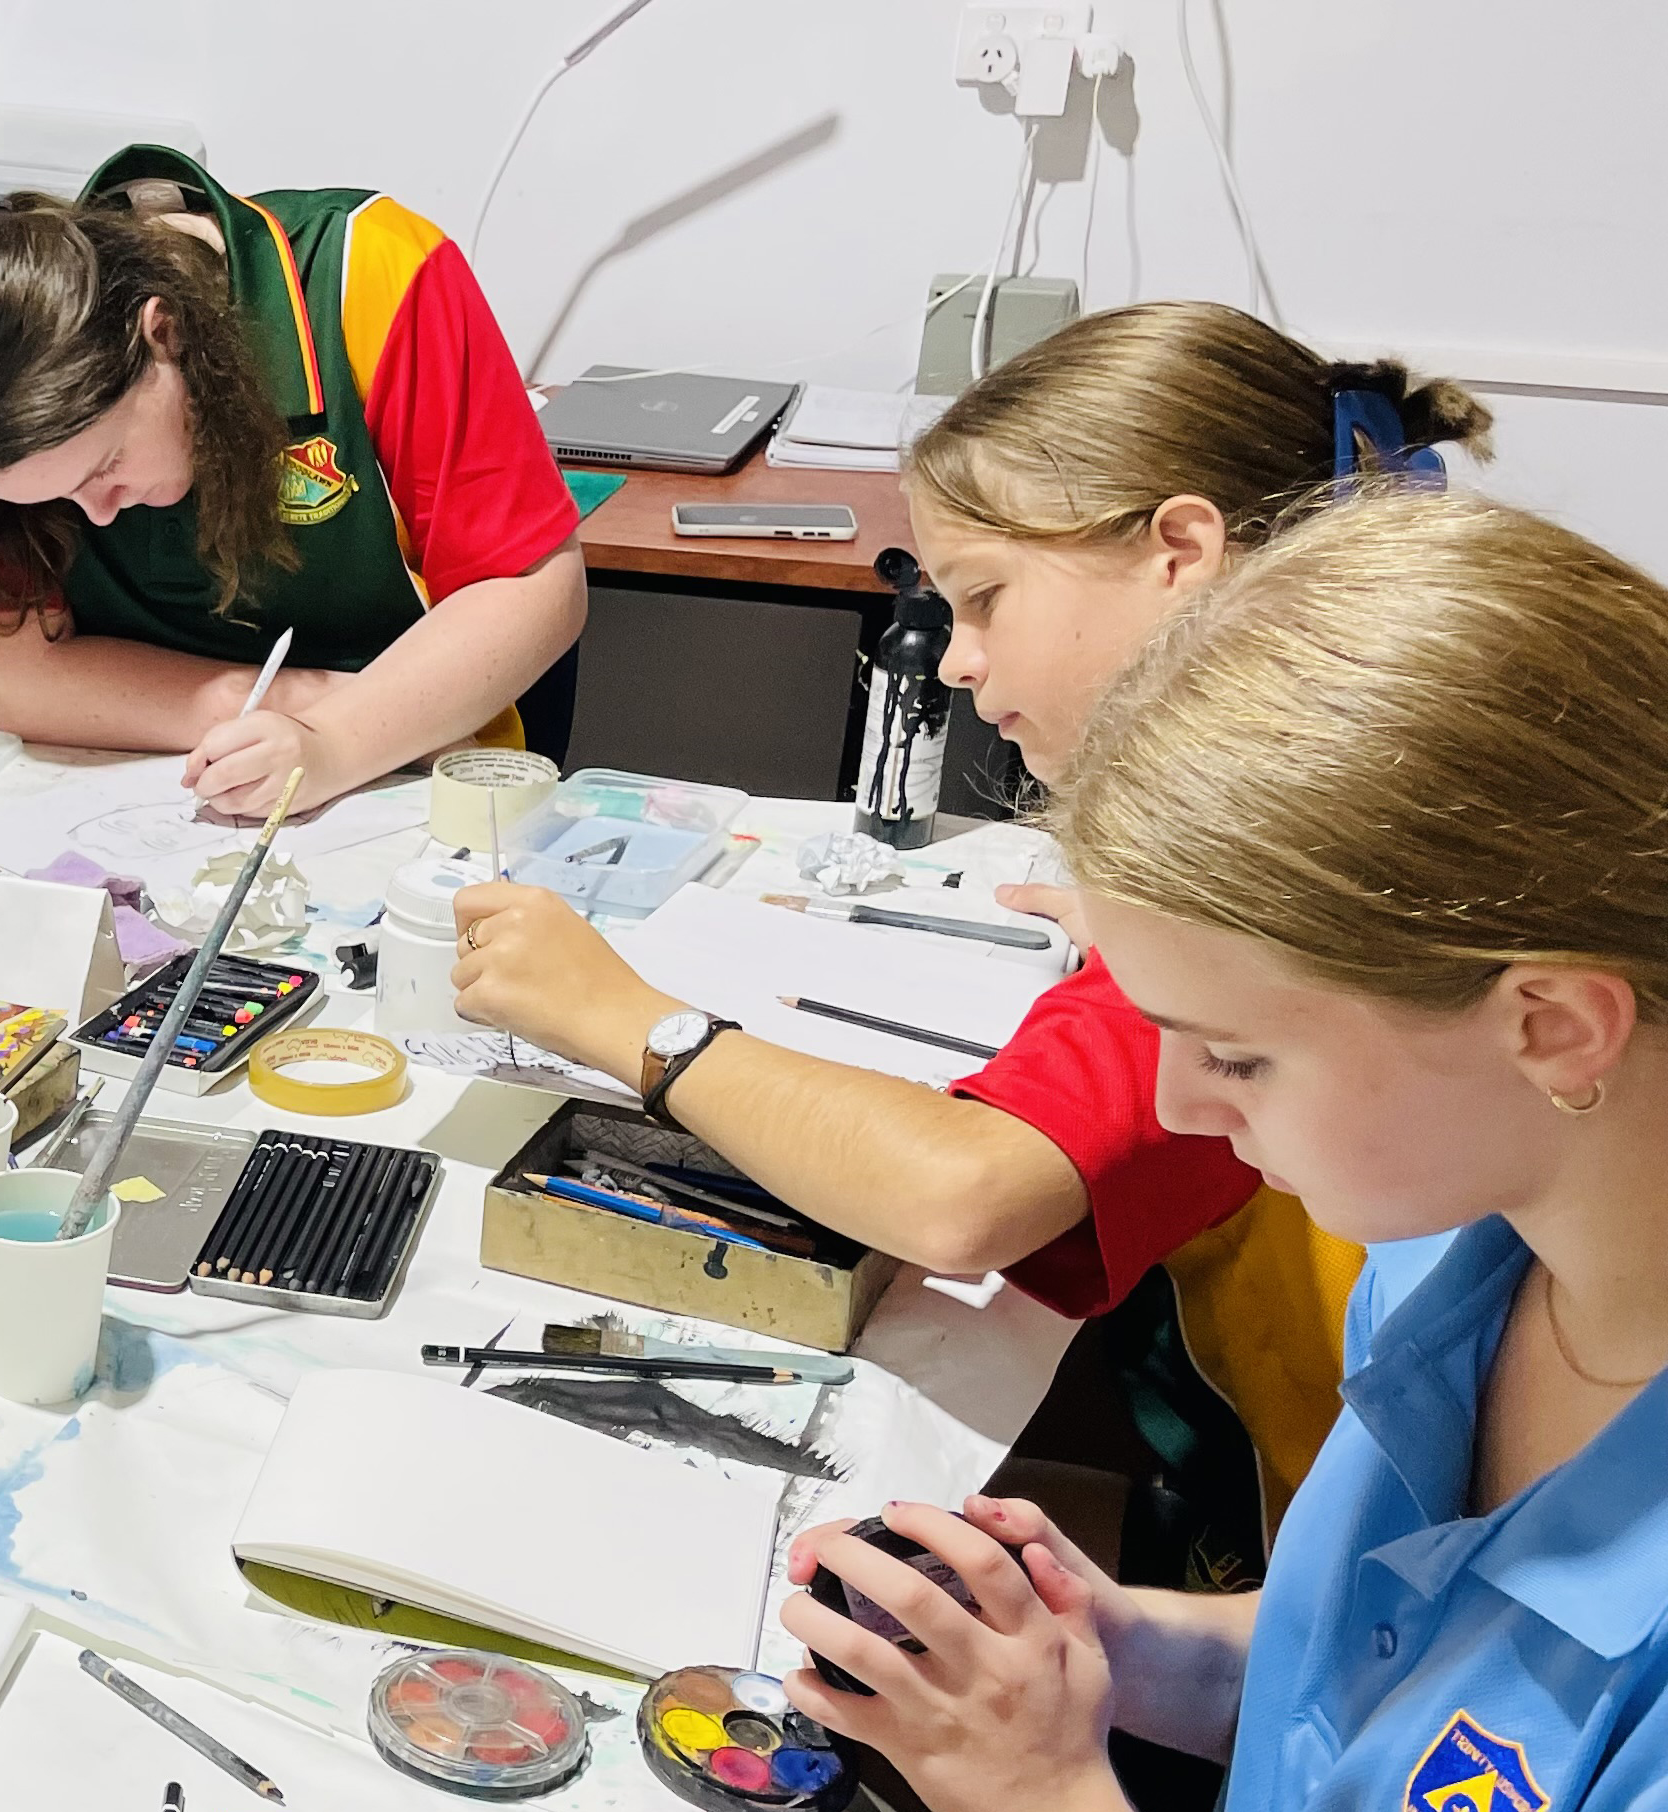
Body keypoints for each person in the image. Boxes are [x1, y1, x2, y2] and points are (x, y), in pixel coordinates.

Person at [488, 491, 1668, 1812]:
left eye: (1237, 1054)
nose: (1196, 1123)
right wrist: (1133, 1652)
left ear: (1554, 1025)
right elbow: (1413, 1703)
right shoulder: (1475, 1256)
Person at [451, 304, 1494, 1592]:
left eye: (986, 597)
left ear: (1179, 550)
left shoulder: (1272, 868)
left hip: (1388, 1574)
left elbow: (963, 1197)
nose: (952, 662)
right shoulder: (1356, 768)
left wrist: (626, 1018)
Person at [0, 145, 587, 817]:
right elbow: (20, 680)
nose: (98, 515)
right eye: (56, 499)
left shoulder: (371, 273)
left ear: (163, 333)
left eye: (106, 466)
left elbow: (534, 589)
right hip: (147, 791)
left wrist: (335, 745)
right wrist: (286, 711)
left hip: (410, 784)